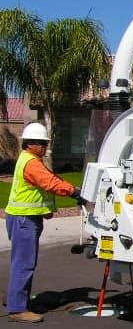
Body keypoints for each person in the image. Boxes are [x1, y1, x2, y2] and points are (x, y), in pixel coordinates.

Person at [4, 122, 86, 323]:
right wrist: (74, 192)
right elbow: (49, 183)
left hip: (22, 218)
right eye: (40, 143)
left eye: (45, 143)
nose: (44, 147)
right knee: (24, 264)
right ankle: (17, 309)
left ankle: (16, 299)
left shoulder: (29, 159)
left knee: (21, 262)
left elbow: (48, 180)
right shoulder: (32, 163)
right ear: (29, 144)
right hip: (24, 220)